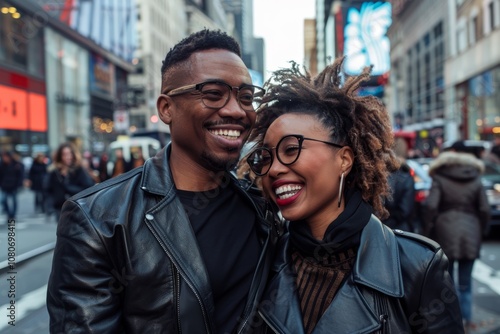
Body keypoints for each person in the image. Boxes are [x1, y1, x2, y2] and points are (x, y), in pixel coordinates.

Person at [47, 29, 278, 333]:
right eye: (213, 94)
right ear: (167, 108)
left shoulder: (262, 208)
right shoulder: (98, 220)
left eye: (246, 97)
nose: (236, 110)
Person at [242, 58, 464, 333]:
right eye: (265, 157)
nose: (273, 169)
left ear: (344, 159)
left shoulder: (417, 266)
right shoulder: (263, 259)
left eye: (291, 150)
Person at [423, 140, 490, 331]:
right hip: (471, 229)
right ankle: (468, 320)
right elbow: (484, 208)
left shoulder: (440, 176)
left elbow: (431, 206)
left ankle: (453, 320)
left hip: (445, 230)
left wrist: (428, 228)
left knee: (447, 281)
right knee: (466, 282)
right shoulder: (475, 176)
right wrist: (481, 228)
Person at [44, 142, 95, 222]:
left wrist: (68, 187)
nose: (68, 157)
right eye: (64, 154)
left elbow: (88, 187)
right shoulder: (55, 172)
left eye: (69, 154)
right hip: (60, 208)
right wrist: (50, 207)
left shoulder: (78, 170)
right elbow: (48, 189)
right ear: (60, 156)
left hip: (77, 208)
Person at [382, 137, 415, 232]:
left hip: (378, 227)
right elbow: (405, 209)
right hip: (400, 229)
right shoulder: (406, 175)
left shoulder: (378, 173)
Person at [0, 151, 24, 222]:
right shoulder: (2, 165)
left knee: (14, 201)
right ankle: (9, 213)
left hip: (13, 185)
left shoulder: (16, 164)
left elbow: (20, 175)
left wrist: (19, 184)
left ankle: (13, 215)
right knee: (3, 200)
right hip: (4, 185)